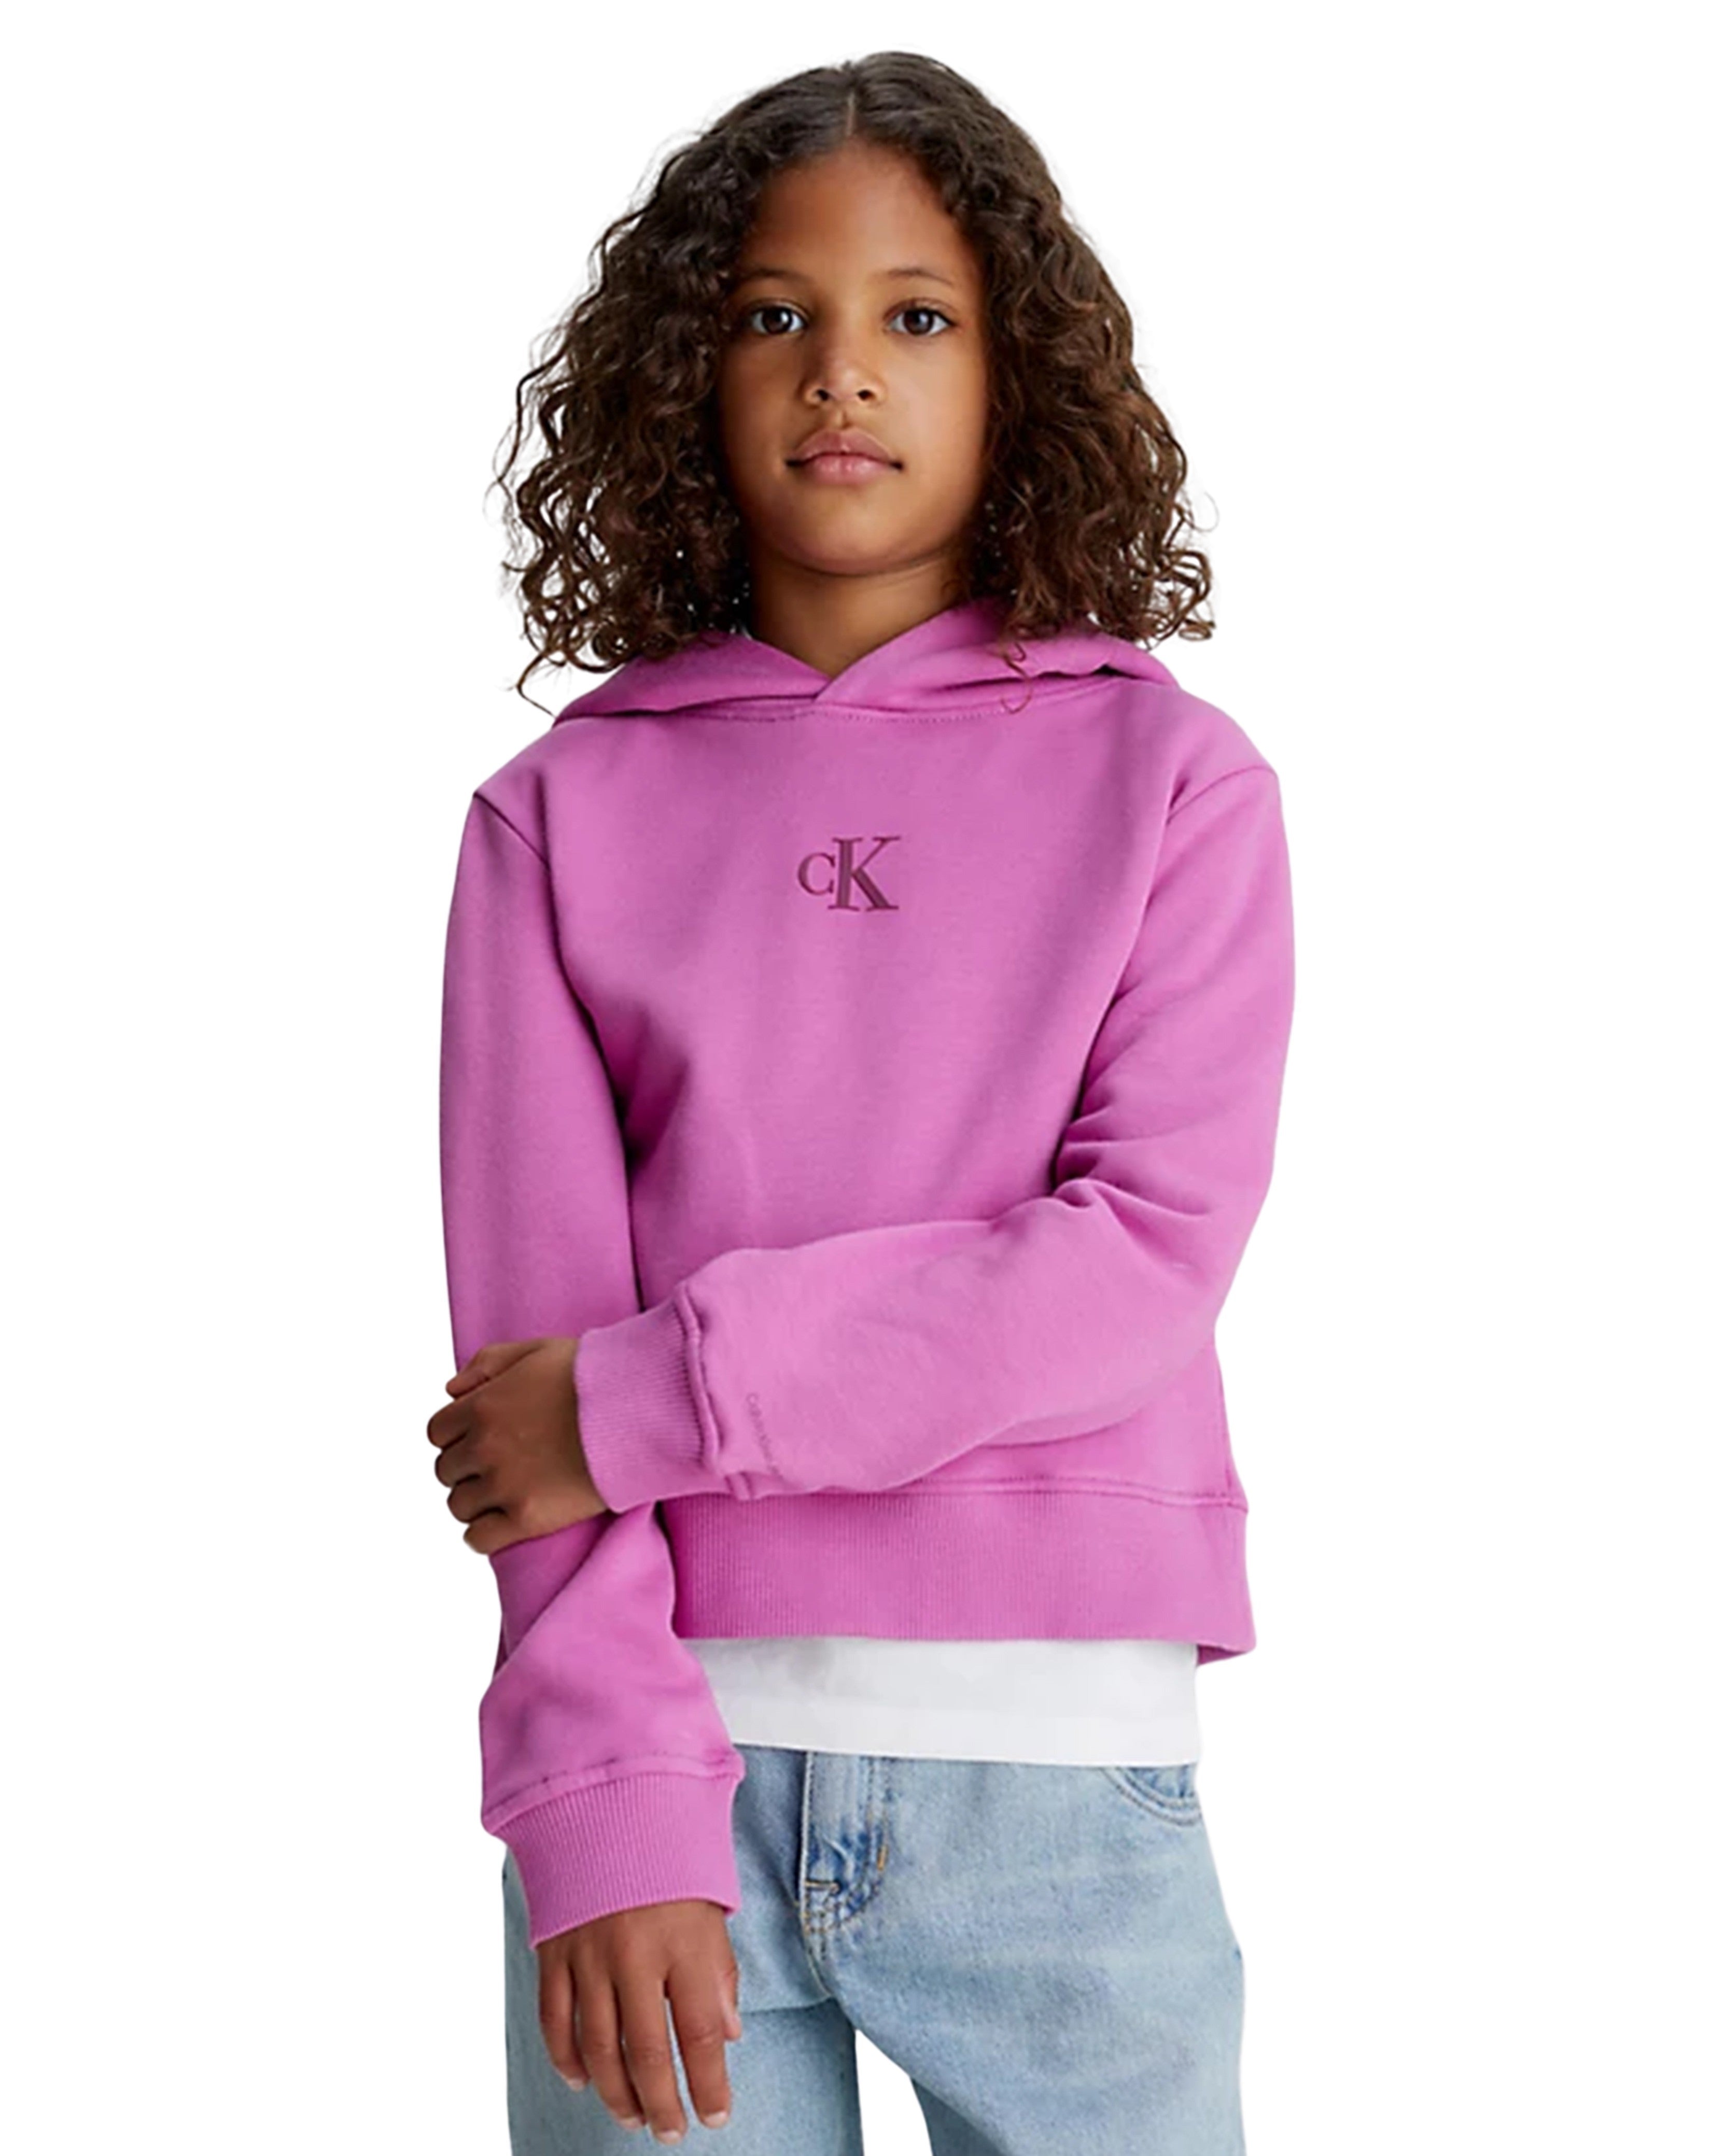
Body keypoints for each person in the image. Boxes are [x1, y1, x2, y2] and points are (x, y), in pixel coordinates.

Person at [427, 49, 1295, 2155]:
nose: (843, 369)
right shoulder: (559, 815)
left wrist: (650, 1400)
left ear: (1018, 376)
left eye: (917, 314)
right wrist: (601, 1795)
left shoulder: (1173, 784)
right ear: (683, 378)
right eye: (772, 314)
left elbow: (1132, 1270)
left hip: (1059, 1779)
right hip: (669, 1779)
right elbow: (525, 1358)